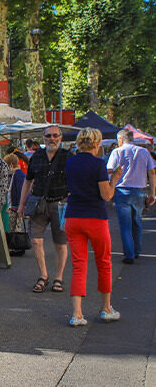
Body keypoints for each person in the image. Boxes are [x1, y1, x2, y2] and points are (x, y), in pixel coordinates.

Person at [64, 128, 123, 326]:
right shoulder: (99, 164)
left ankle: (77, 313)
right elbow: (106, 195)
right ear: (96, 144)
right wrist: (114, 179)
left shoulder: (70, 162)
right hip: (95, 217)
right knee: (104, 262)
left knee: (78, 265)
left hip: (73, 216)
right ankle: (106, 308)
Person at [17, 125, 71, 293]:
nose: (52, 138)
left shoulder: (68, 157)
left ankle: (59, 278)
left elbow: (76, 182)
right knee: (36, 240)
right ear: (43, 138)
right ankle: (44, 276)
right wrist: (21, 205)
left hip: (60, 204)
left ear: (61, 137)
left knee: (60, 243)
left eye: (55, 135)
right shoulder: (36, 157)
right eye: (48, 136)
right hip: (38, 203)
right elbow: (27, 181)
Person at [107, 129, 156, 263]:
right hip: (140, 191)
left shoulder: (117, 152)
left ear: (120, 139)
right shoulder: (144, 152)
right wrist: (153, 193)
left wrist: (109, 190)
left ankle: (129, 255)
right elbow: (152, 172)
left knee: (125, 225)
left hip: (121, 192)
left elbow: (109, 171)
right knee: (137, 222)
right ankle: (137, 251)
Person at [4, 153, 26, 255]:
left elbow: (19, 191)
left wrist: (17, 206)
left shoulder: (18, 175)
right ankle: (16, 247)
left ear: (11, 165)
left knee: (15, 226)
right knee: (15, 226)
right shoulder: (18, 175)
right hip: (15, 205)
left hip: (15, 206)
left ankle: (17, 247)